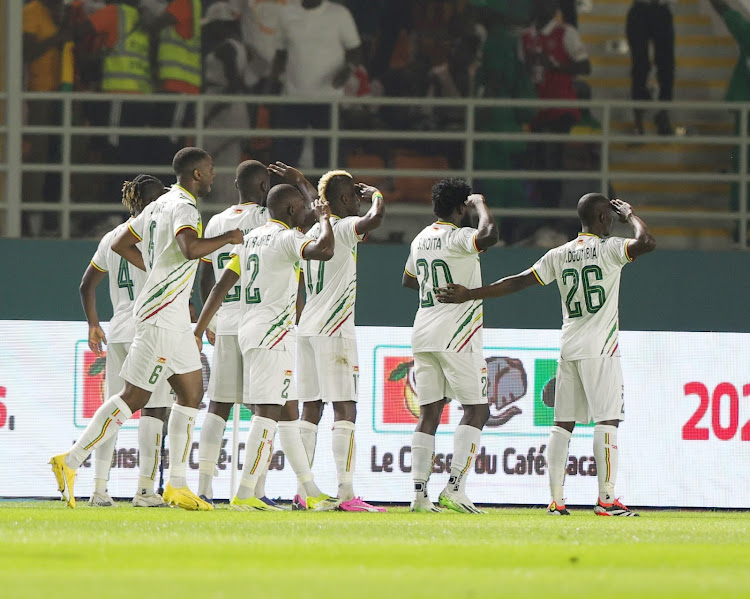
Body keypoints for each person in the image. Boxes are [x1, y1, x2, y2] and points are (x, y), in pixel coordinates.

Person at [435, 194, 656, 516]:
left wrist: (471, 294)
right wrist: (632, 215)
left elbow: (517, 283)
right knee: (607, 421)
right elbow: (647, 241)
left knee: (562, 424)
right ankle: (606, 500)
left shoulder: (560, 254)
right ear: (605, 219)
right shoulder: (611, 250)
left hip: (570, 346)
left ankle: (556, 500)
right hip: (601, 349)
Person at [50, 147, 243, 510]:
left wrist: (155, 270)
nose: (214, 175)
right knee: (134, 399)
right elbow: (189, 248)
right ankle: (70, 460)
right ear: (196, 174)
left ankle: (176, 485)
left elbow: (122, 241)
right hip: (161, 318)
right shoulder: (183, 207)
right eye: (210, 169)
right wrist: (229, 237)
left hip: (170, 318)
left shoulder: (157, 205)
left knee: (190, 395)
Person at [194, 184, 341, 512]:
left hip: (248, 330)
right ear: (291, 210)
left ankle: (311, 489)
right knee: (268, 411)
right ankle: (245, 492)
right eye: (302, 207)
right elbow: (326, 250)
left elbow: (221, 283)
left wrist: (201, 328)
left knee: (288, 411)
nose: (306, 212)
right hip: (274, 335)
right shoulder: (287, 237)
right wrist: (325, 219)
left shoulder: (251, 238)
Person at [401, 179, 499, 513]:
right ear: (461, 209)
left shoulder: (420, 239)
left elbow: (408, 280)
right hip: (458, 334)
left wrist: (434, 289)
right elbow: (489, 236)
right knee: (477, 409)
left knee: (429, 412)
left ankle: (418, 496)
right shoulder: (458, 237)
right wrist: (482, 205)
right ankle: (455, 488)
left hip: (423, 330)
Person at [294, 168, 386, 512]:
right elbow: (375, 219)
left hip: (307, 328)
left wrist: (301, 180)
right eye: (353, 197)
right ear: (346, 199)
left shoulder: (314, 232)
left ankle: (303, 493)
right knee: (345, 407)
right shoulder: (345, 229)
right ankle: (346, 494)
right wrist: (376, 194)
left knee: (310, 408)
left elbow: (315, 200)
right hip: (335, 330)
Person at [80, 174, 172, 507]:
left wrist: (93, 324)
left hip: (118, 330)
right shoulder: (160, 236)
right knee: (155, 407)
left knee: (114, 409)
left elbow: (86, 286)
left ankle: (99, 489)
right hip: (149, 329)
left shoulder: (111, 237)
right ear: (154, 201)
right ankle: (145, 490)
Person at [196, 160, 271, 506]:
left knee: (219, 405)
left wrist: (210, 321)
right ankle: (255, 491)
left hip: (225, 321)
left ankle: (205, 488)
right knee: (265, 406)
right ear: (263, 186)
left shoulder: (217, 221)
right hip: (261, 322)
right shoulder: (270, 219)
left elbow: (206, 278)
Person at [269, 0, 362, 168]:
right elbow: (280, 53)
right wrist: (272, 83)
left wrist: (346, 71)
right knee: (285, 157)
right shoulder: (286, 14)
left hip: (329, 99)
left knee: (328, 157)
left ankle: (328, 194)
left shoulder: (339, 14)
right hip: (293, 97)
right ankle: (281, 193)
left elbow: (355, 51)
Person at [520, 0, 590, 211]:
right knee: (540, 162)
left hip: (561, 108)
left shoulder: (565, 32)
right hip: (536, 111)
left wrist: (556, 66)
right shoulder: (525, 37)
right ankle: (545, 215)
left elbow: (586, 66)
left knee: (552, 161)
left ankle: (552, 215)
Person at [626, 0, 675, 135]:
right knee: (640, 66)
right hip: (639, 10)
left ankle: (663, 114)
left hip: (662, 9)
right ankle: (638, 120)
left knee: (666, 66)